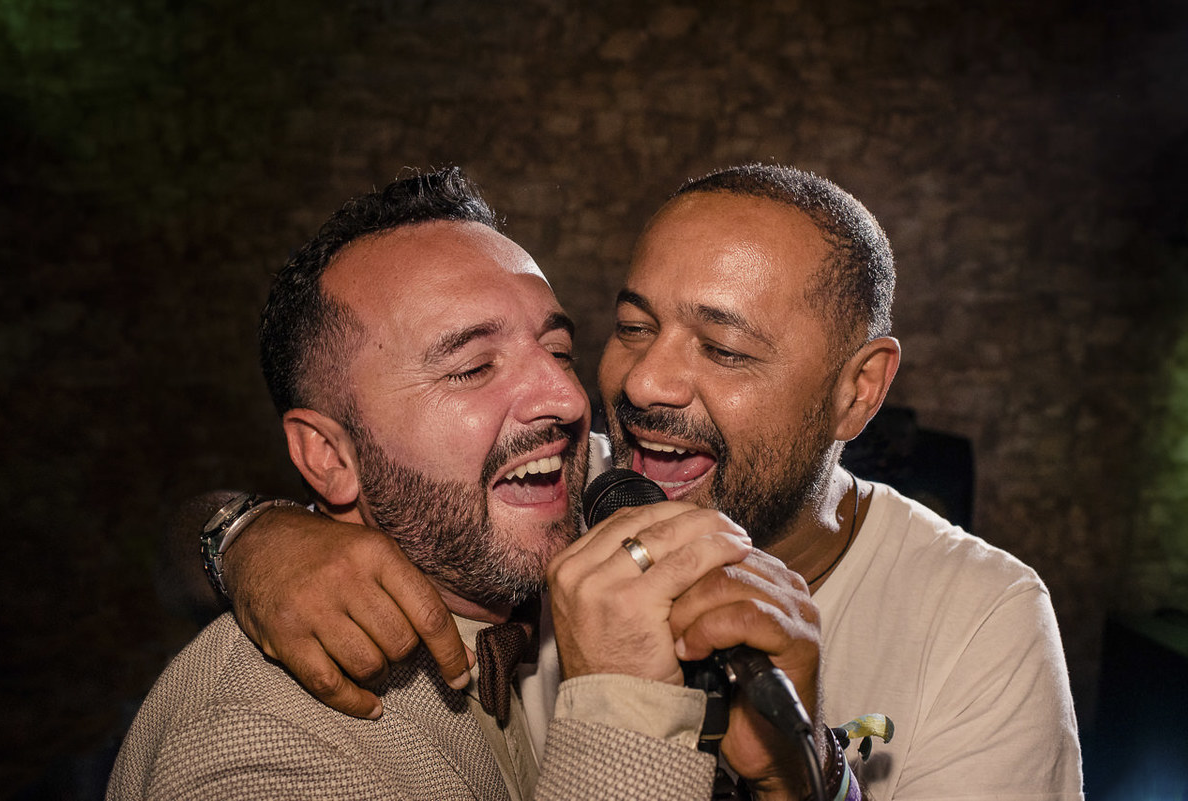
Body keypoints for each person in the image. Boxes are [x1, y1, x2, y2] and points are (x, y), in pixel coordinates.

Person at [180, 164, 1085, 799]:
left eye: (725, 347)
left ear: (859, 389)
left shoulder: (980, 617)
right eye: (633, 325)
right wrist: (245, 533)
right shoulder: (553, 502)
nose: (639, 386)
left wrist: (802, 783)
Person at [110, 168, 830, 800]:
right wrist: (627, 706)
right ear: (329, 456)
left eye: (558, 348)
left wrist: (800, 779)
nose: (567, 398)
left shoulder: (575, 506)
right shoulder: (257, 748)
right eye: (472, 368)